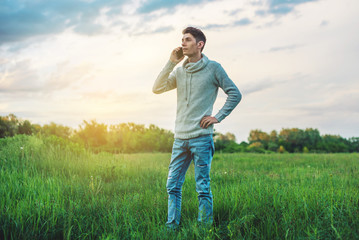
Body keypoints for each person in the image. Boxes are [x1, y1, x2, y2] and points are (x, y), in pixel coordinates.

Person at [152, 26, 242, 229]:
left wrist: (217, 117)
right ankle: (171, 227)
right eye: (182, 39)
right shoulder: (180, 70)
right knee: (172, 185)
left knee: (202, 187)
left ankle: (204, 229)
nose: (182, 43)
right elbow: (157, 88)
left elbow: (235, 94)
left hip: (201, 138)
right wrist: (170, 62)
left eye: (187, 39)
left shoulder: (214, 68)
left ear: (199, 44)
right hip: (180, 138)